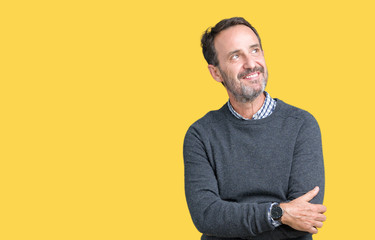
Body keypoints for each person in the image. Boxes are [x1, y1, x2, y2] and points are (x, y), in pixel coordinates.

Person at [183, 17, 326, 240]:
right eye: (236, 56)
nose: (251, 64)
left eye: (255, 50)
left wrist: (233, 219)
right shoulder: (200, 135)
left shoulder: (301, 125)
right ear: (216, 73)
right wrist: (279, 213)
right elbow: (206, 215)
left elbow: (307, 216)